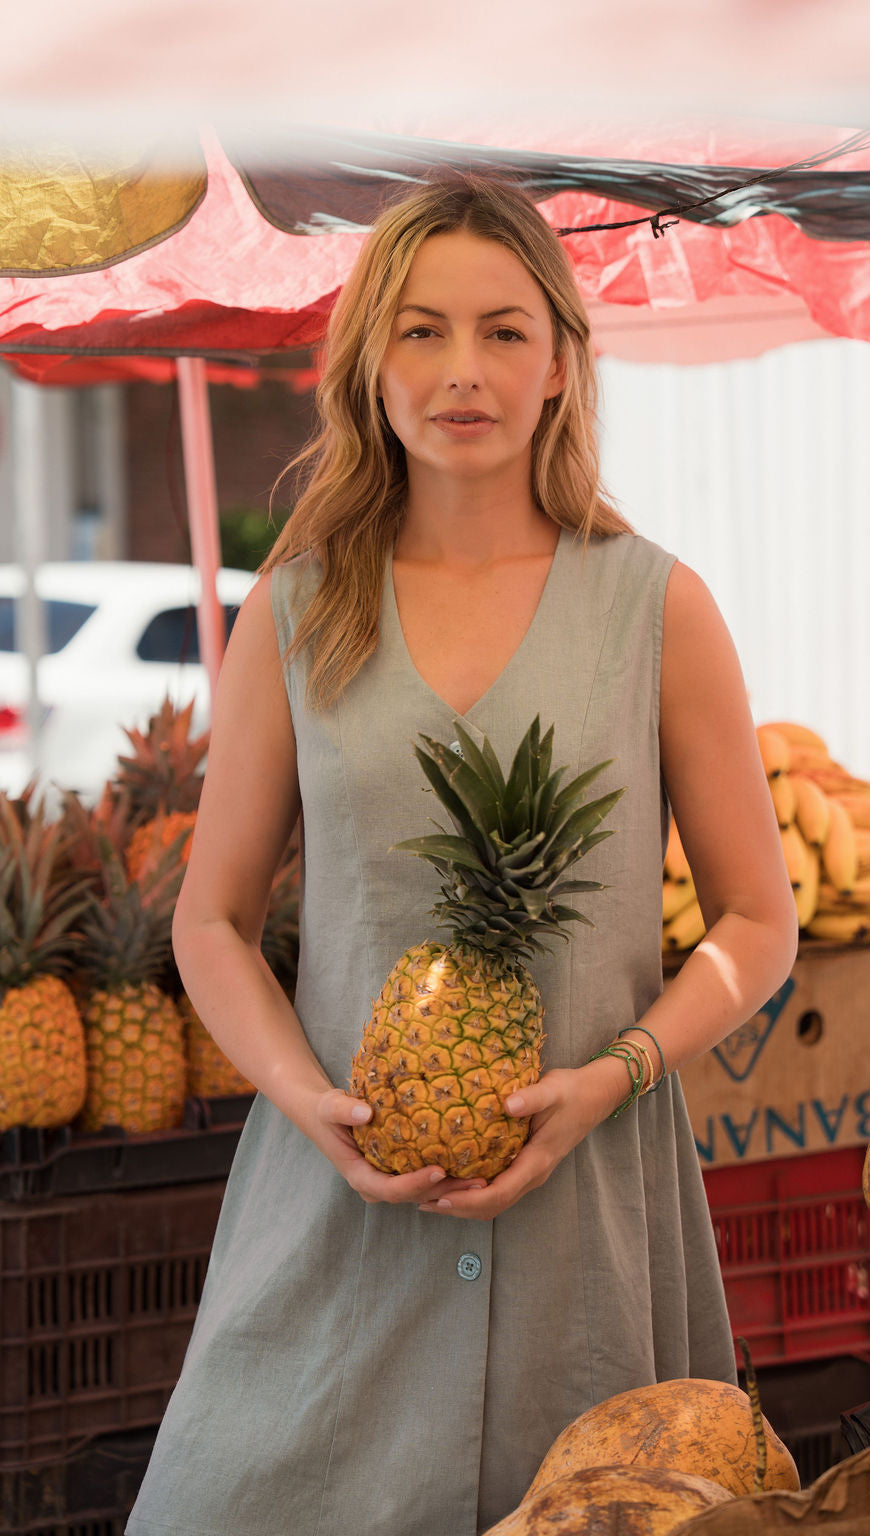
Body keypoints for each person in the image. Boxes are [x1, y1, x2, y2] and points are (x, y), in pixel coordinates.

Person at [126, 173, 798, 1536]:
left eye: (502, 331)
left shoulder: (660, 608)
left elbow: (755, 922)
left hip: (593, 1230)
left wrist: (615, 1075)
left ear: (560, 360)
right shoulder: (302, 609)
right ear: (369, 360)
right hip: (335, 1218)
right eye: (421, 330)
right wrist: (308, 1104)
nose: (462, 371)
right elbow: (213, 921)